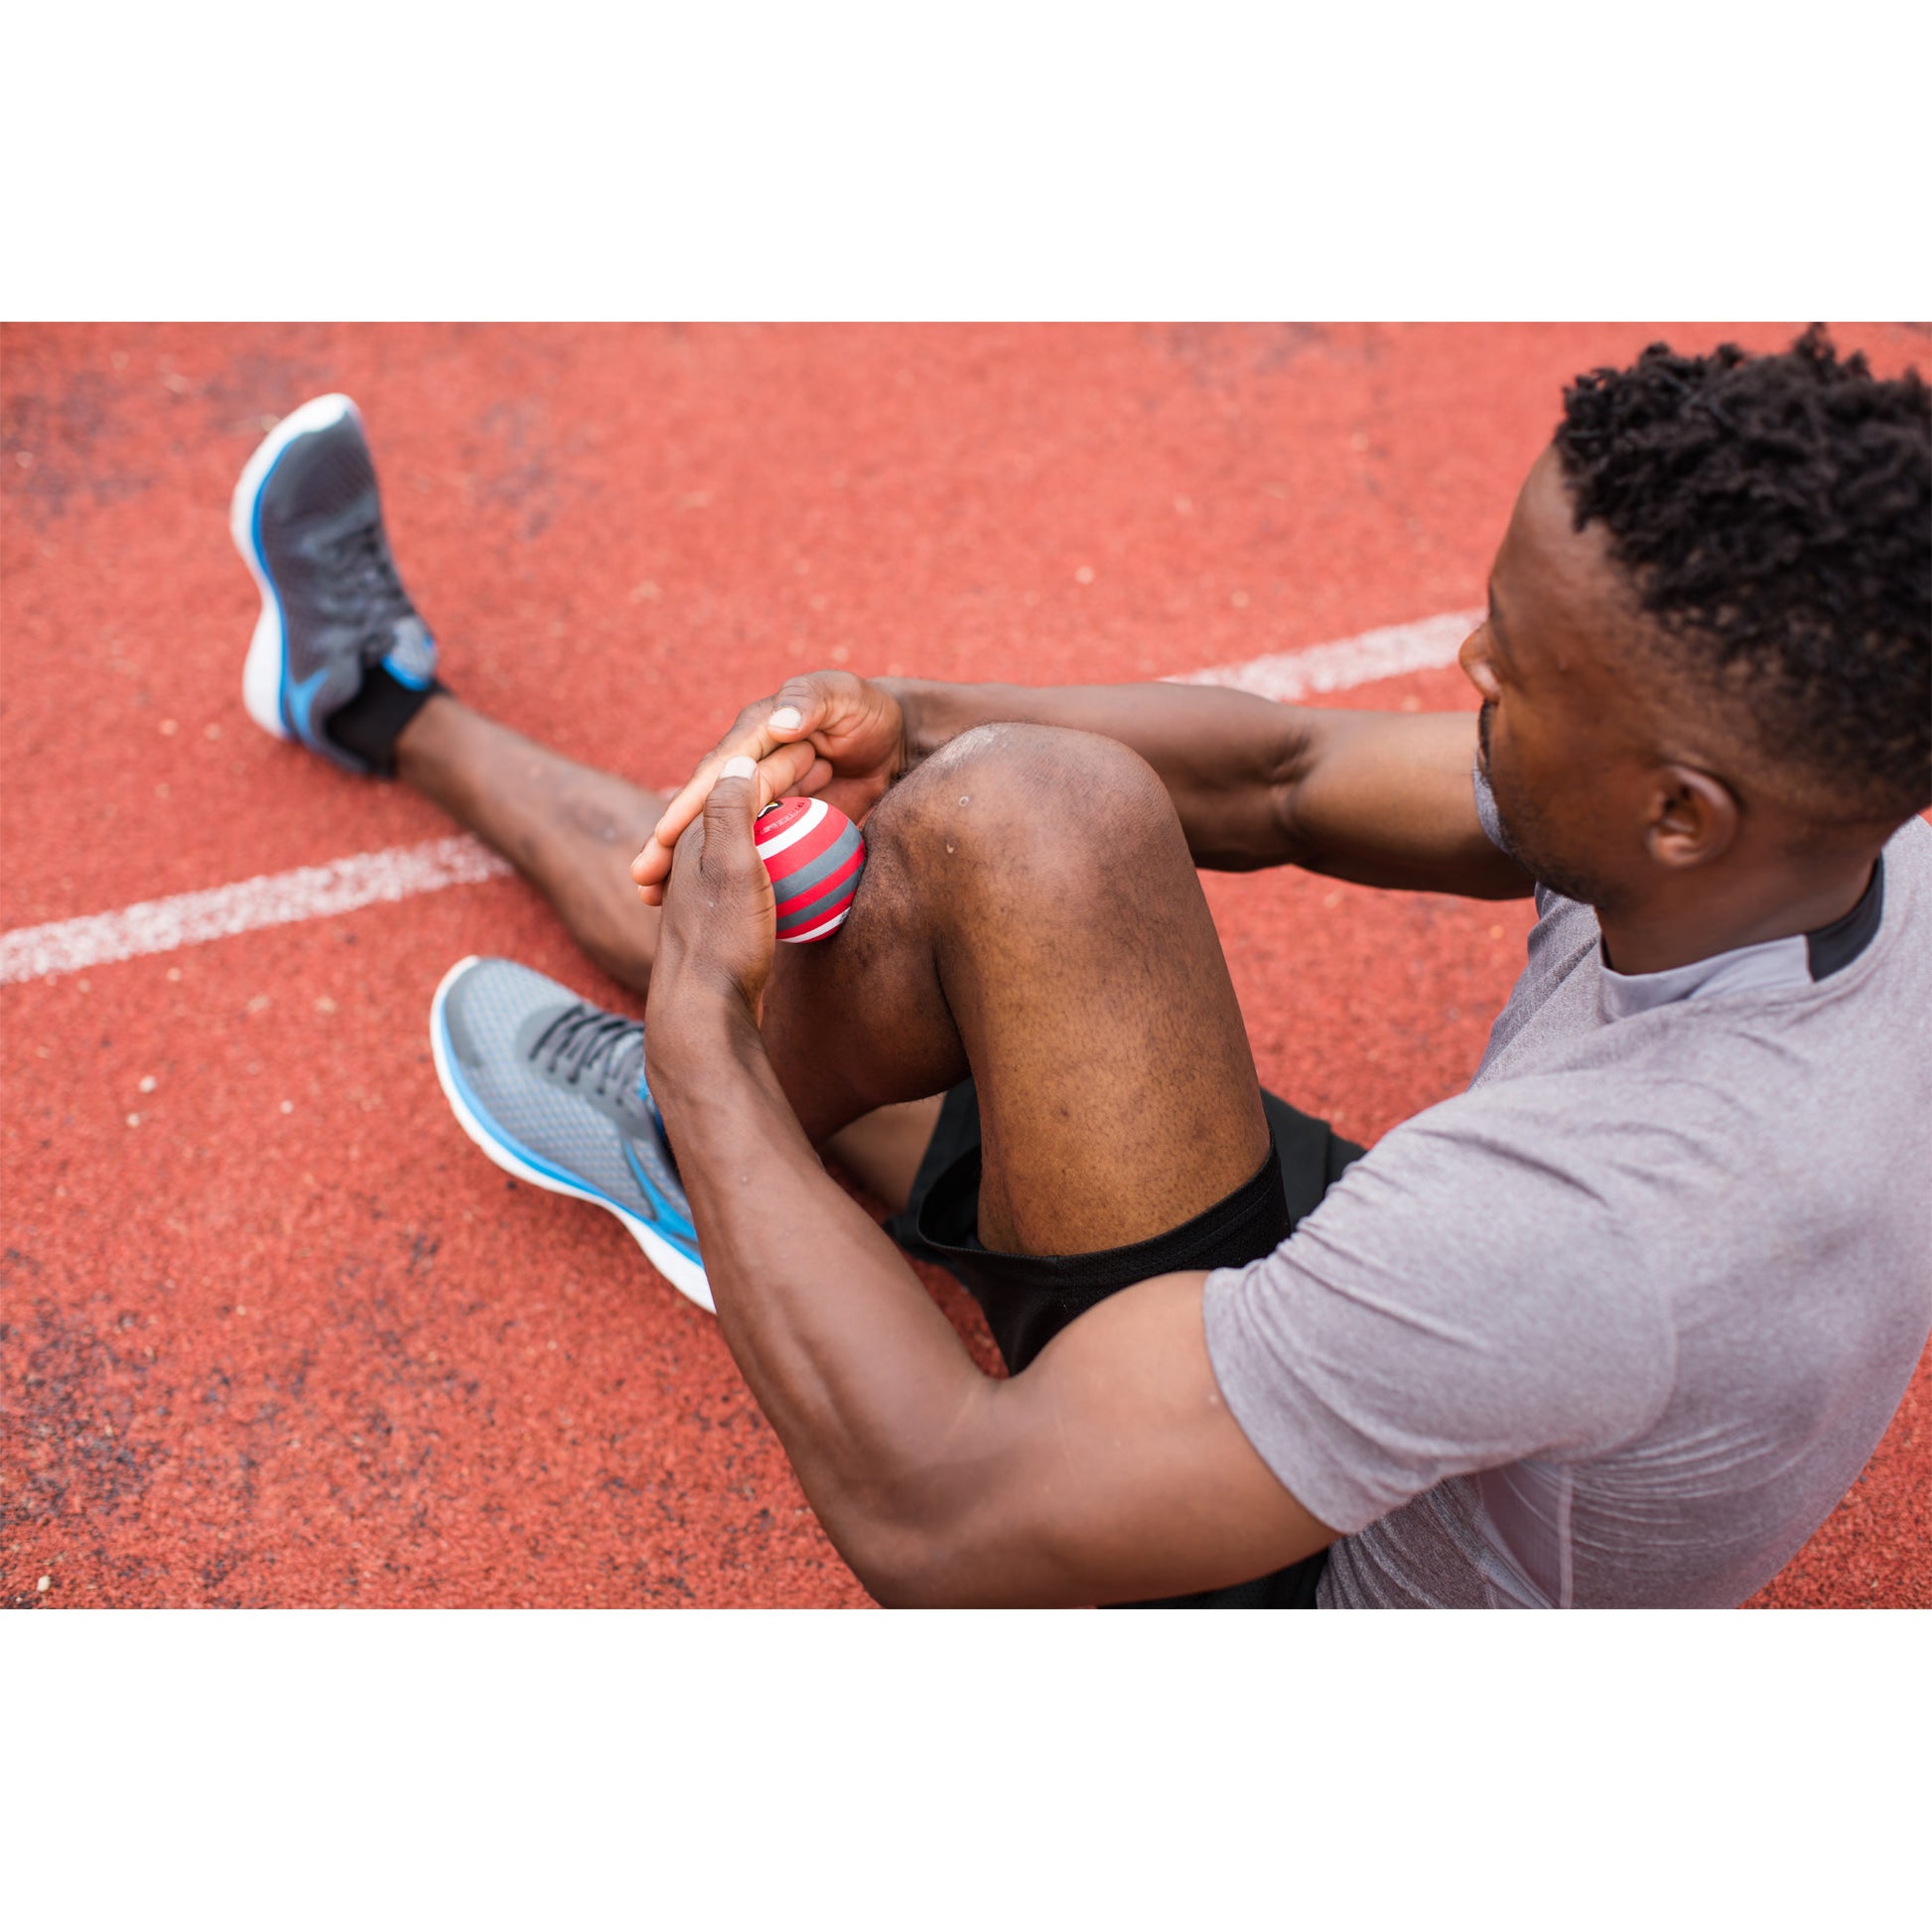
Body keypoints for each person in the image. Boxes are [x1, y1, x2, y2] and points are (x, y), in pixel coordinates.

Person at [230, 330, 1932, 1608]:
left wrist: (699, 1050)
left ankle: (712, 1151)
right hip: (1462, 1353)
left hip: (1331, 1590)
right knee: (1027, 808)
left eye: (1522, 664)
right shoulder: (1813, 830)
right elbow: (1282, 777)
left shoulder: (1584, 1223)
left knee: (756, 1022)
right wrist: (919, 720)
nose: (1467, 658)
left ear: (1679, 809)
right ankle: (376, 702)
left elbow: (940, 1519)